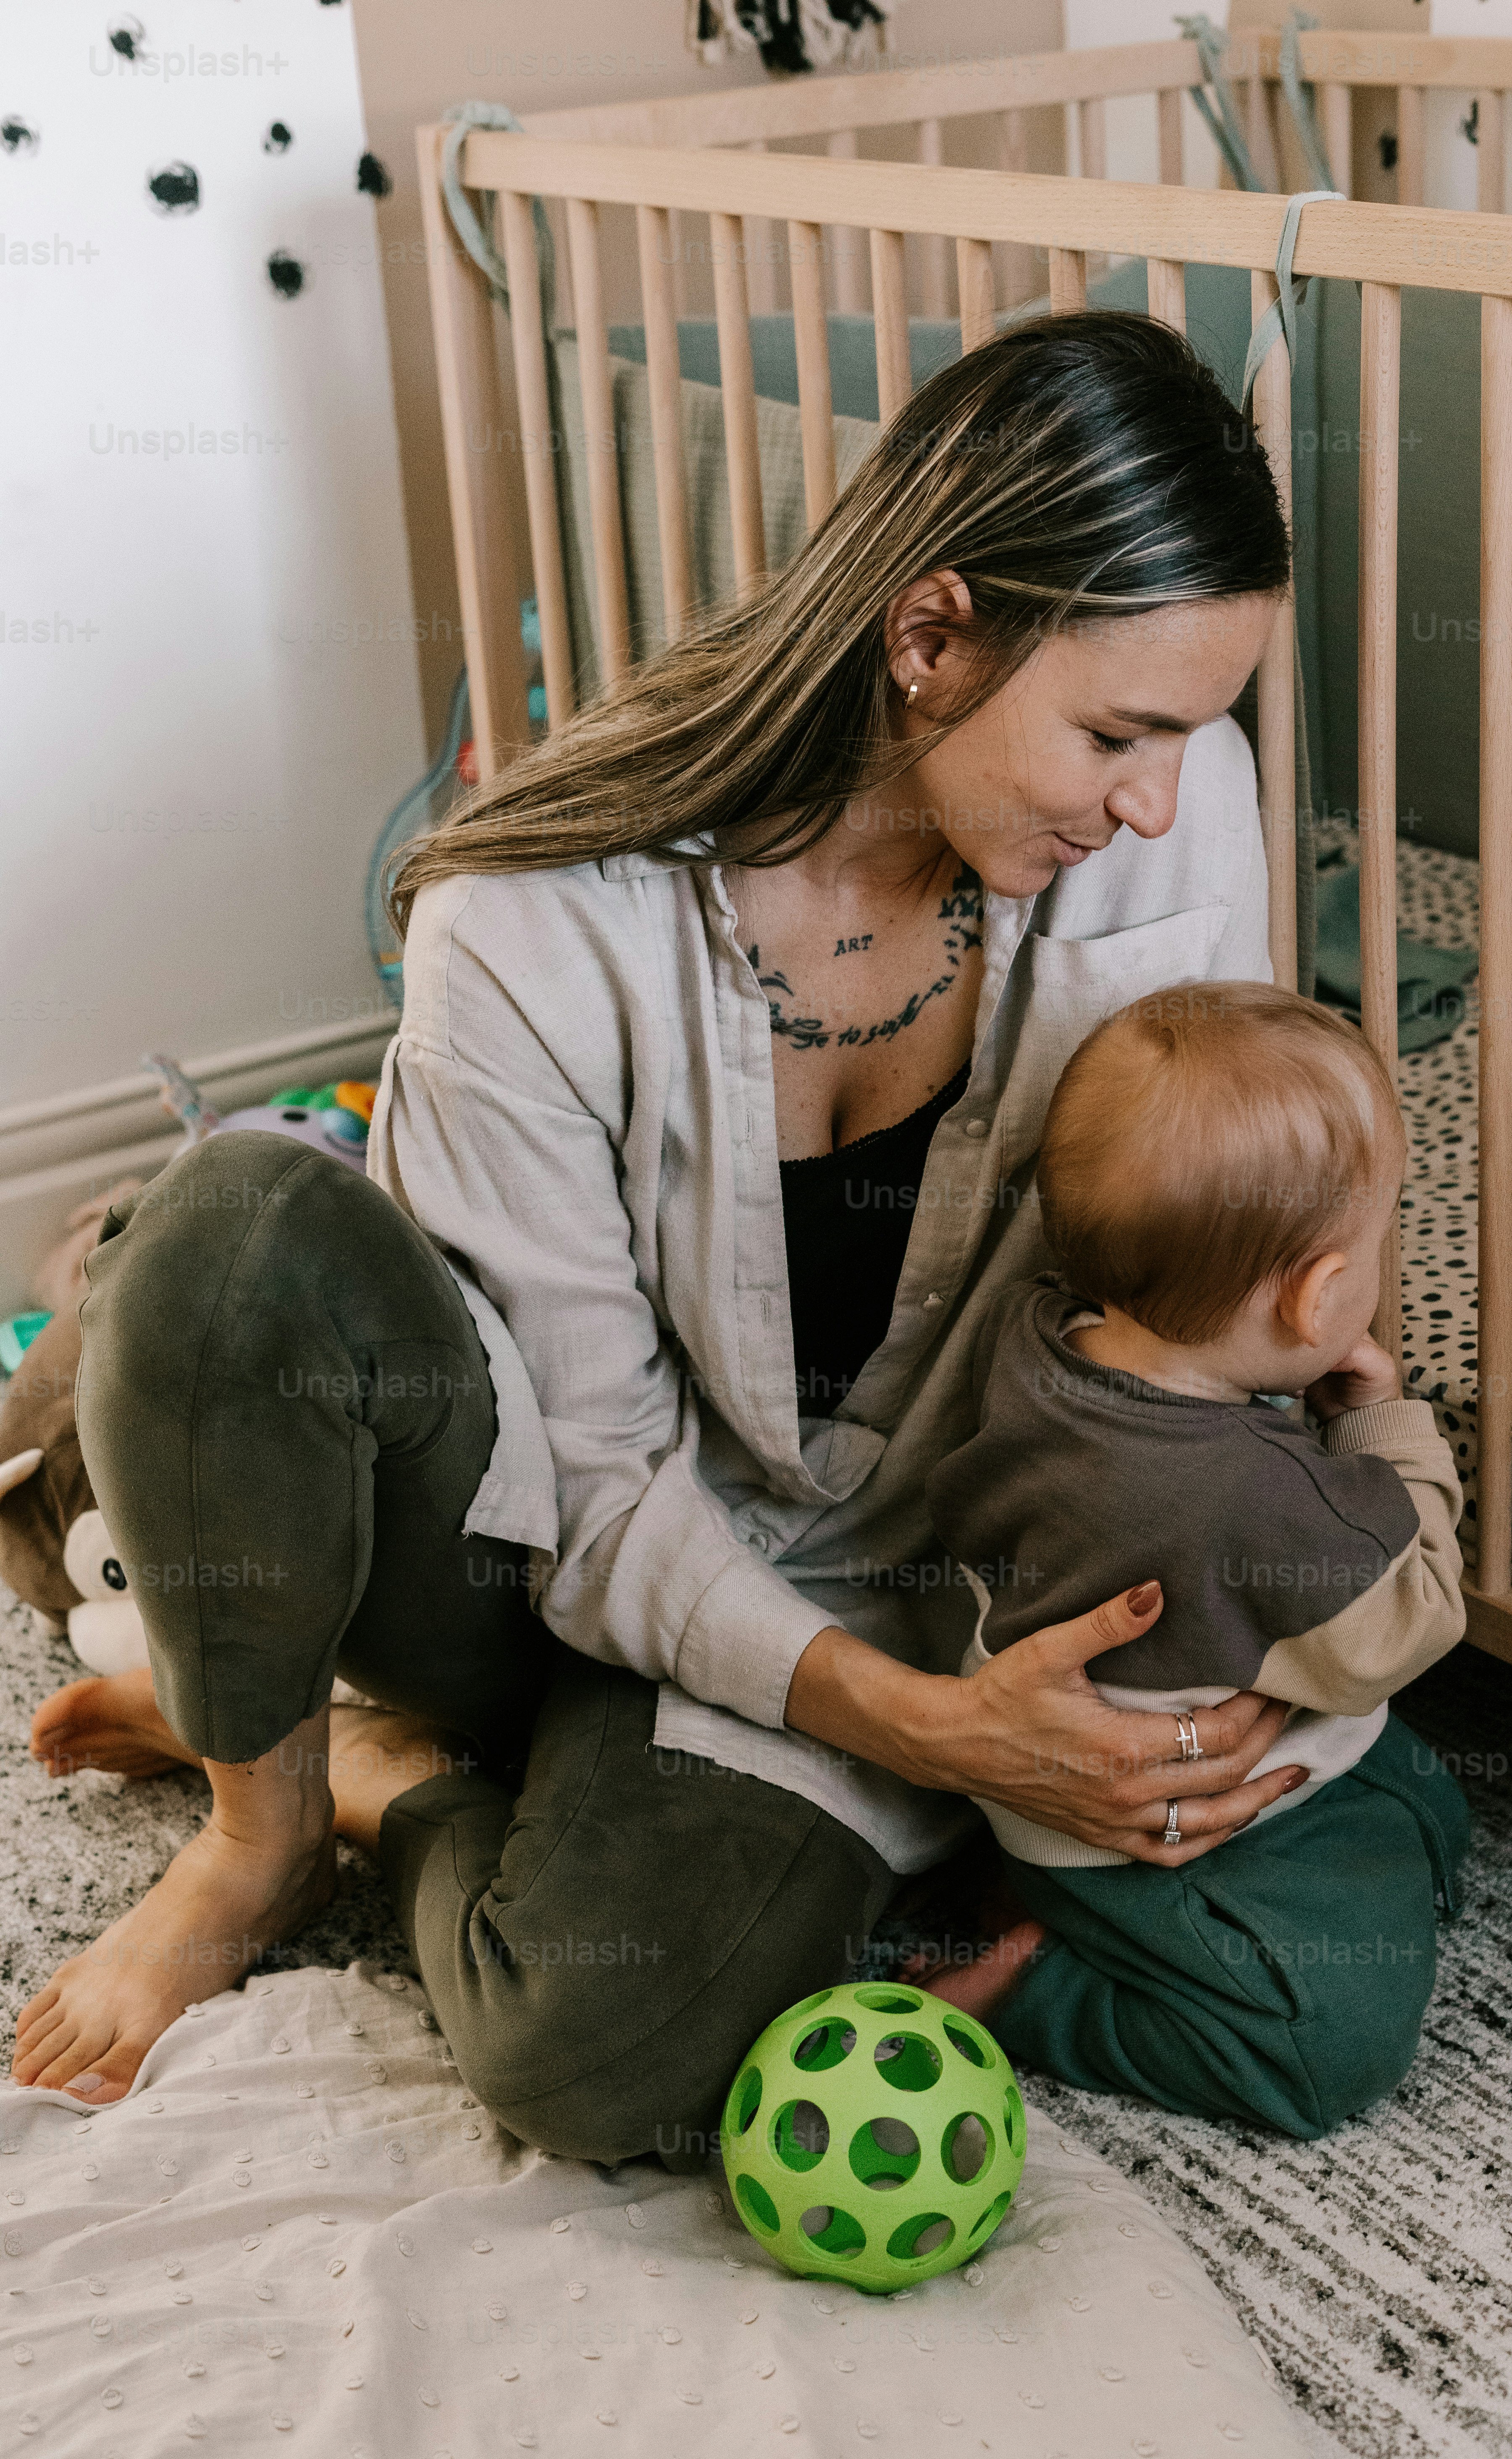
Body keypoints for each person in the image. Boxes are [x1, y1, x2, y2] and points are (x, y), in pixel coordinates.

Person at [15, 311, 1326, 2158]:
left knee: (594, 2058)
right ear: (930, 634)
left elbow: (1197, 1238)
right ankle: (263, 1817)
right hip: (531, 1538)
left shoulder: (1165, 838)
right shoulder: (538, 918)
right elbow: (602, 1482)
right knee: (228, 1248)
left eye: (1195, 735)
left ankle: (390, 1787)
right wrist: (932, 1737)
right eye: (1119, 731)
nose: (1161, 802)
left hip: (878, 1569)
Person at [923, 985, 1470, 2138]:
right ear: (1318, 1294)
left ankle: (1027, 1896)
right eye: (1381, 1238)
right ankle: (1043, 1988)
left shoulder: (1038, 1332)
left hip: (1040, 1771)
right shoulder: (1258, 1499)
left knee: (1422, 1804)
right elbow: (1408, 1622)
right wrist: (1383, 1423)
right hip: (1154, 1835)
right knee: (1332, 2047)